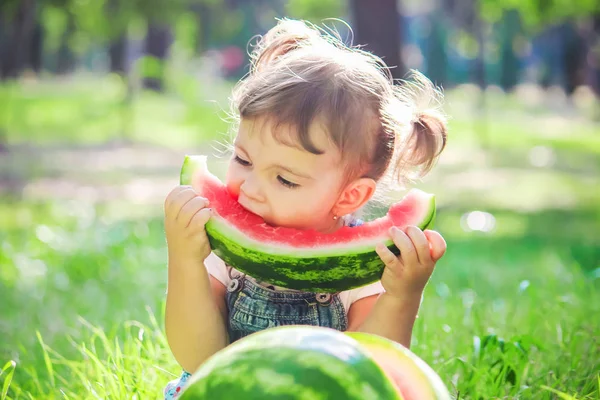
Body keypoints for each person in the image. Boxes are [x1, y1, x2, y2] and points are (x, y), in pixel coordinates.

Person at [163, 18, 448, 398]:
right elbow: (199, 361)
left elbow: (371, 373)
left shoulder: (364, 265)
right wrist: (185, 261)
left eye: (285, 180)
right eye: (243, 160)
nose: (250, 188)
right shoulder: (221, 247)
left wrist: (402, 295)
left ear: (349, 197)